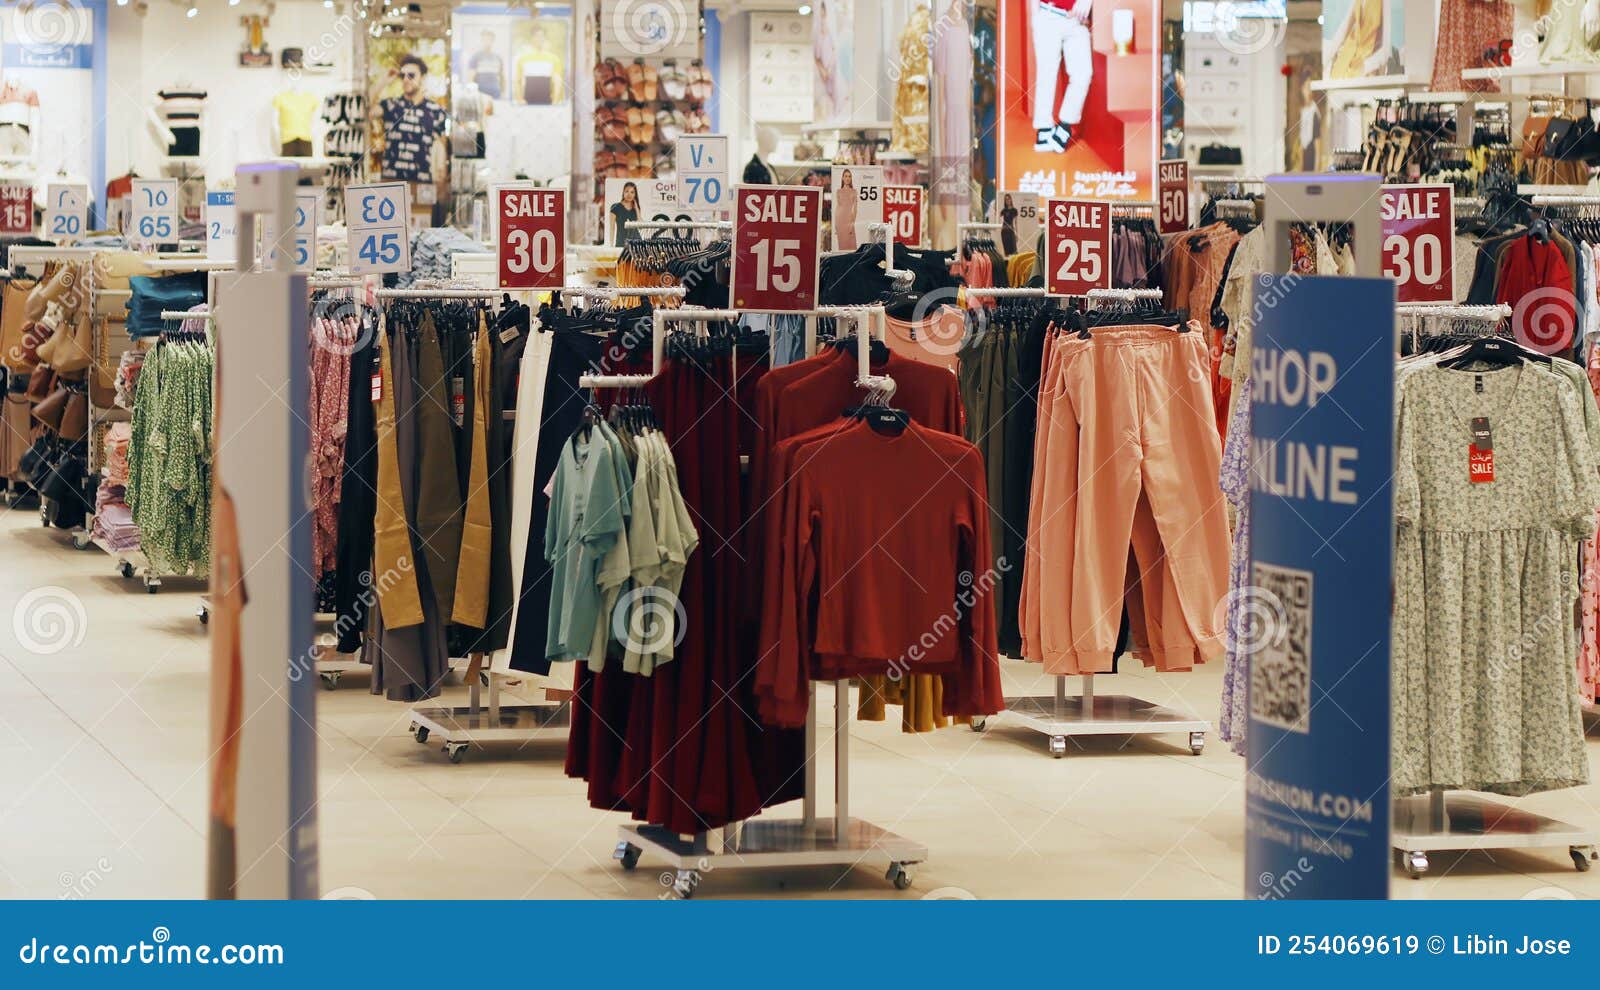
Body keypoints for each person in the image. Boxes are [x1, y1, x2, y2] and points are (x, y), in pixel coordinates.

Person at [1031, 0, 1093, 152]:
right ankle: (1044, 127)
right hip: (1048, 13)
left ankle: (1065, 125)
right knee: (1046, 73)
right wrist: (1035, 18)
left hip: (1076, 19)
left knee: (1083, 73)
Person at [378, 53, 448, 183]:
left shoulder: (436, 110)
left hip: (421, 184)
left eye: (411, 75)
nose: (405, 79)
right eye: (402, 75)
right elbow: (366, 110)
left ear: (422, 77)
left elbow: (442, 149)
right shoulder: (391, 105)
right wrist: (383, 81)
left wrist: (441, 181)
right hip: (390, 182)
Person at [468, 31, 504, 100]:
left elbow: (502, 76)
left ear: (493, 41)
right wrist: (471, 93)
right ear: (481, 41)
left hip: (495, 92)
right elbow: (471, 77)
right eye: (485, 40)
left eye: (489, 40)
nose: (487, 42)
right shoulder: (476, 57)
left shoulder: (498, 58)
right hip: (481, 92)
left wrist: (503, 92)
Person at [610, 181, 641, 246]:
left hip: (636, 243)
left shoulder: (635, 208)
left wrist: (637, 208)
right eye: (627, 191)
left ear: (635, 195)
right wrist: (611, 245)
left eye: (632, 192)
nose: (629, 194)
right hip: (621, 242)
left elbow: (640, 225)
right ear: (623, 192)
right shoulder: (615, 207)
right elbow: (612, 228)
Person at [835, 169, 858, 250]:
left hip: (849, 221)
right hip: (840, 221)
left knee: (852, 246)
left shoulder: (854, 191)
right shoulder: (838, 191)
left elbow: (855, 209)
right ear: (842, 178)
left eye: (849, 176)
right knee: (842, 246)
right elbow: (838, 207)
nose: (847, 178)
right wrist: (835, 224)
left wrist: (852, 224)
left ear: (851, 178)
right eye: (845, 176)